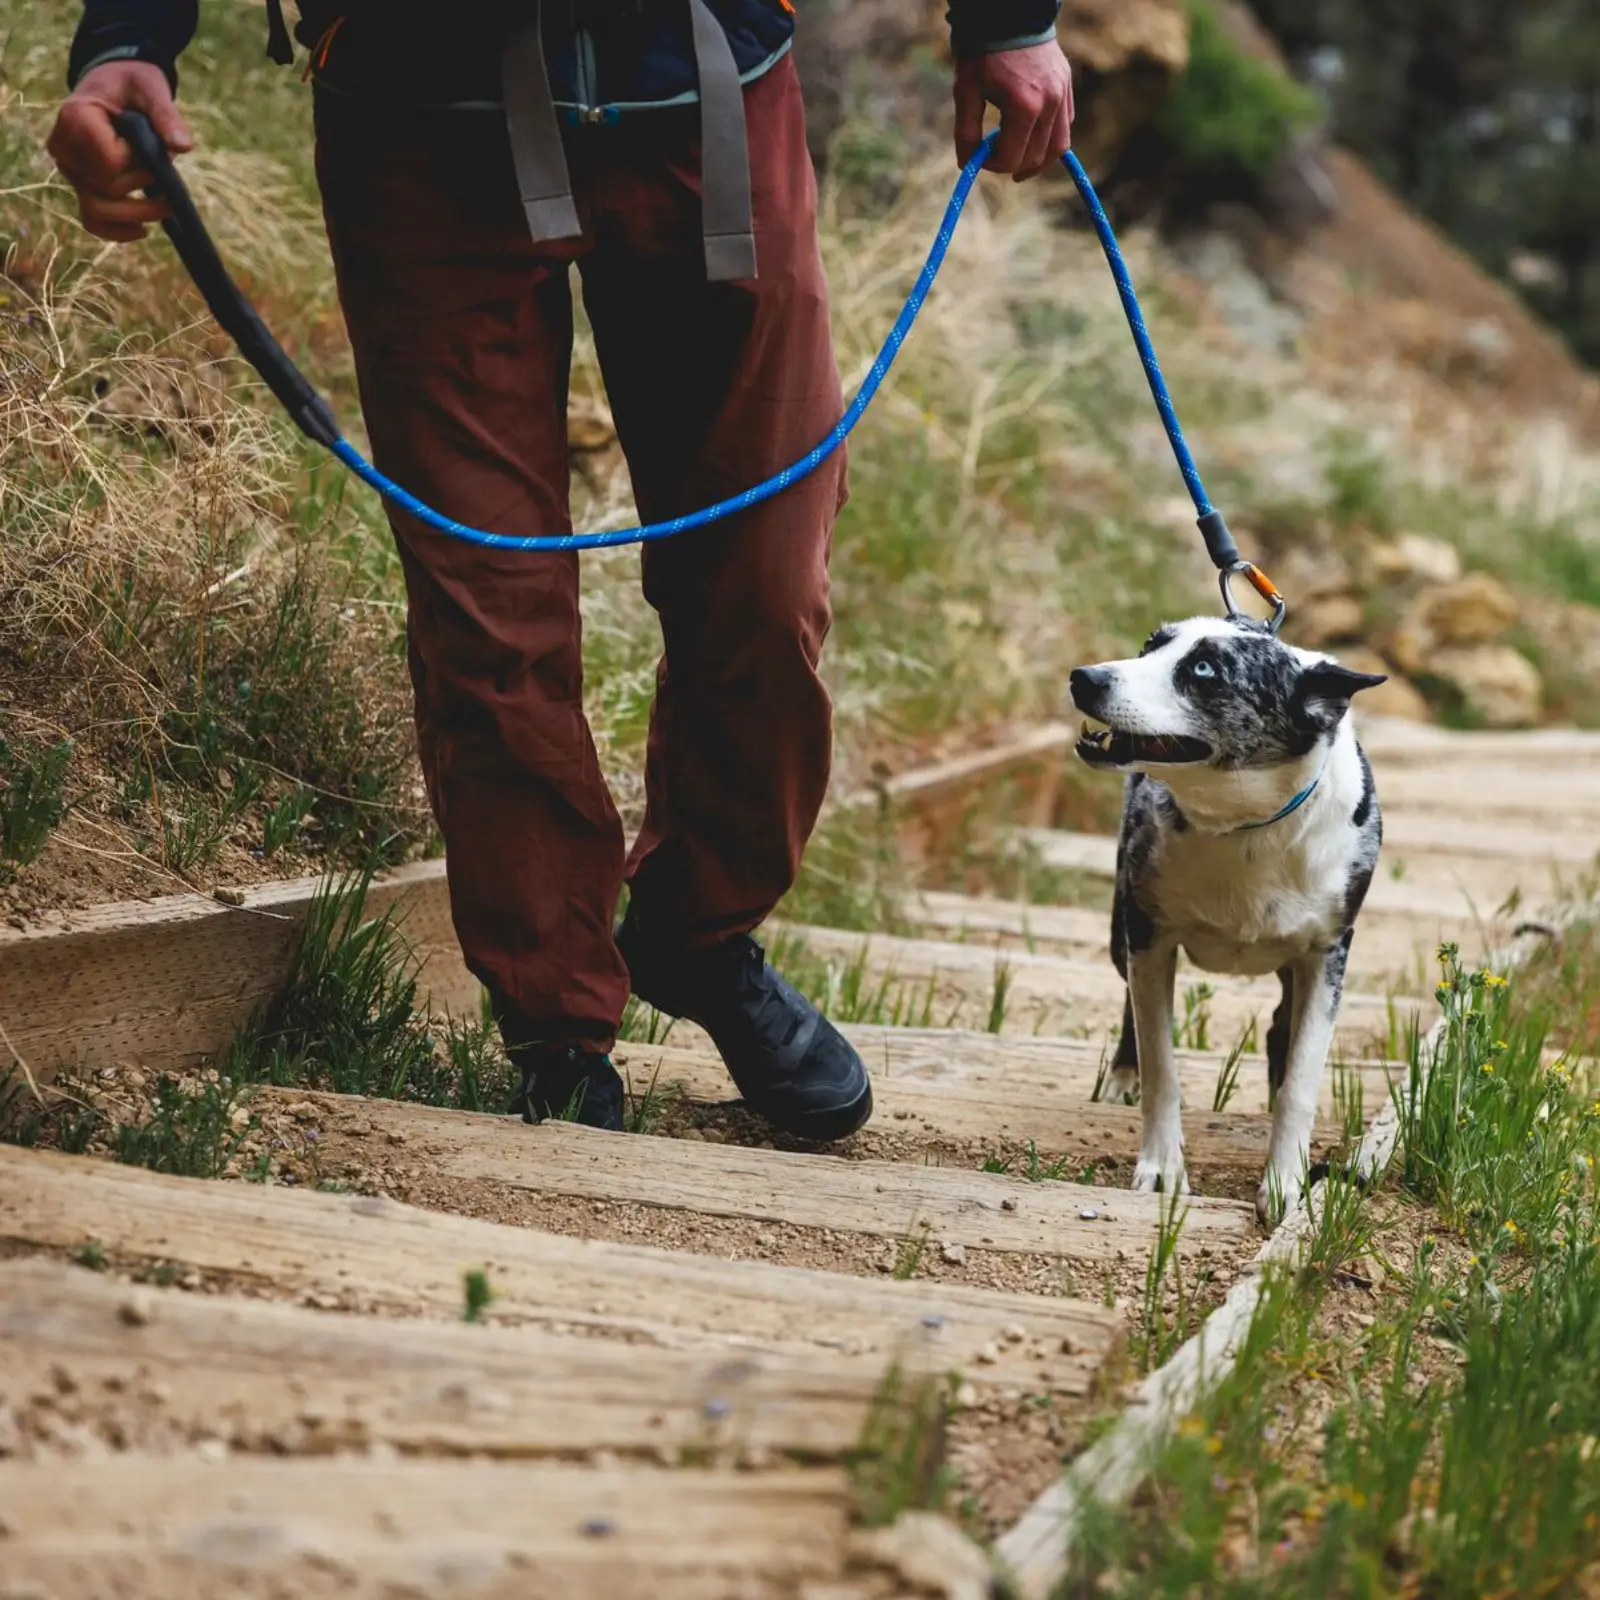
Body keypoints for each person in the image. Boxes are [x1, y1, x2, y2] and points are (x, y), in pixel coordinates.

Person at [49, 1, 1074, 1141]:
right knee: (490, 610)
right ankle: (555, 1021)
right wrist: (128, 39)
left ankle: (696, 935)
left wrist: (1006, 16)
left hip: (708, 82)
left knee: (766, 576)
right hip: (416, 101)